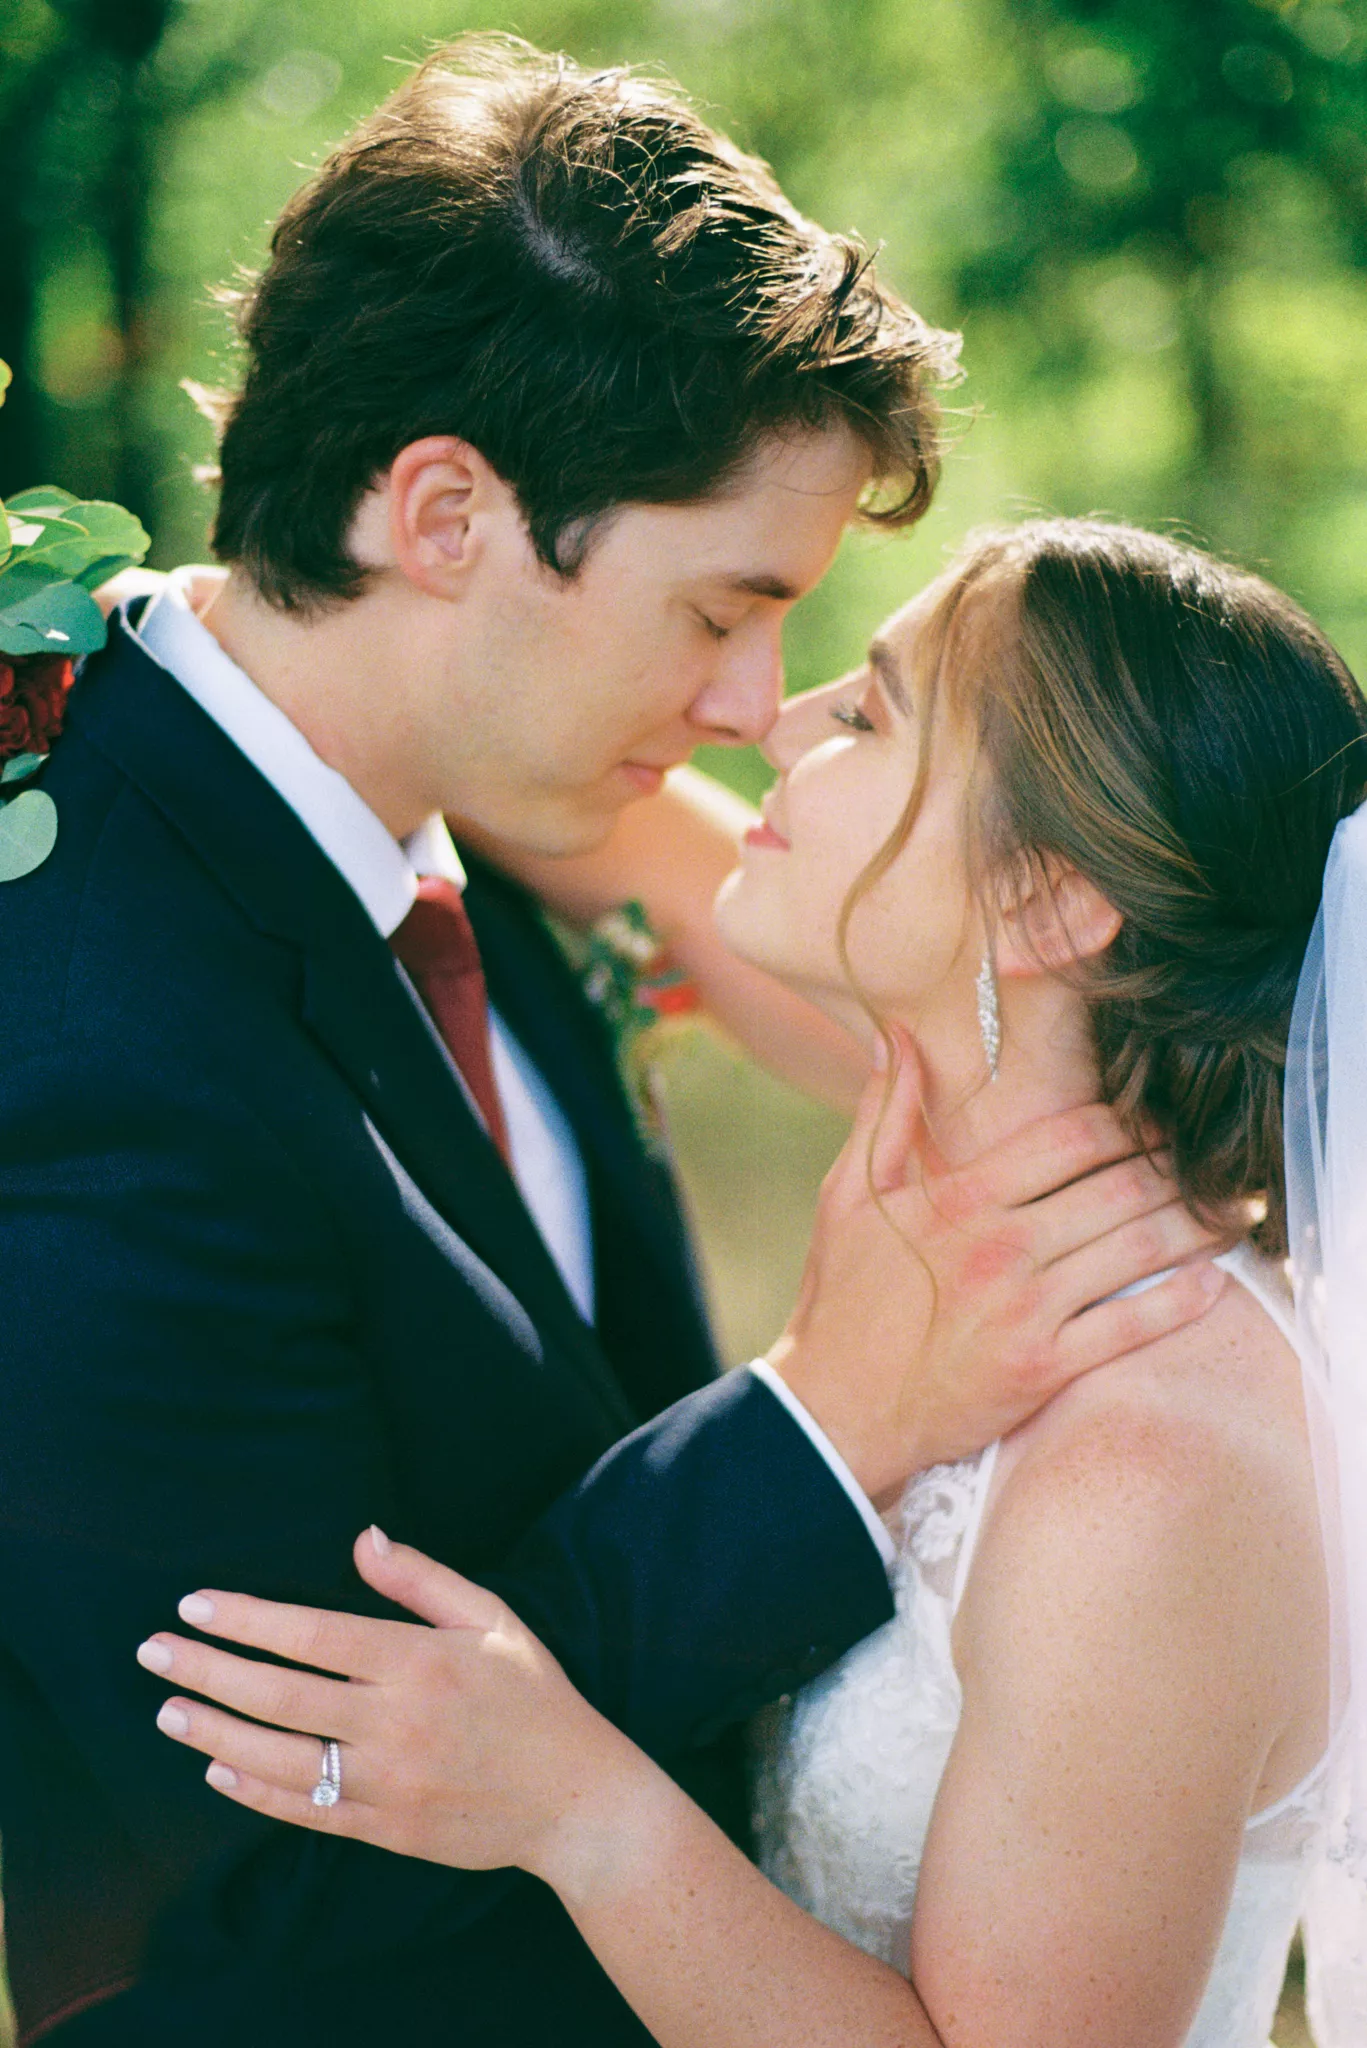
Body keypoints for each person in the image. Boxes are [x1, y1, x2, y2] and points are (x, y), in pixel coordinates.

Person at [0, 36, 1221, 2046]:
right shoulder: (80, 1032)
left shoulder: (504, 802)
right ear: (445, 513)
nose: (753, 701)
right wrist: (829, 1424)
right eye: (716, 609)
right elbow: (283, 1873)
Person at [141, 520, 1367, 2048]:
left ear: (1052, 904)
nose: (774, 725)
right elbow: (584, 820)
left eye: (866, 714)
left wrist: (579, 1807)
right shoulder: (968, 1202)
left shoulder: (1148, 1466)